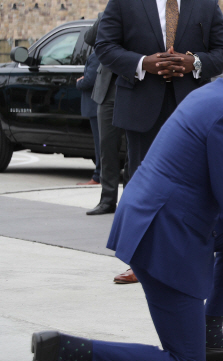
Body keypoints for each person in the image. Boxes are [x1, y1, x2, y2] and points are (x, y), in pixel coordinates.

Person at [28, 27, 223, 361]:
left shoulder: (218, 93)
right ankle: (65, 349)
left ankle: (209, 336)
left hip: (157, 215)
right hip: (163, 235)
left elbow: (222, 183)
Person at [94, 0, 223, 284]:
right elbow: (105, 47)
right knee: (142, 186)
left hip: (192, 107)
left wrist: (194, 63)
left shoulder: (206, 4)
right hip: (141, 106)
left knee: (192, 185)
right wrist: (143, 63)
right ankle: (140, 261)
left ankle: (184, 259)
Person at [85, 13, 129, 217]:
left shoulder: (146, 14)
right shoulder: (109, 13)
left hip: (134, 88)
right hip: (107, 89)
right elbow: (89, 38)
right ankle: (107, 200)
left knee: (133, 150)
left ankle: (130, 200)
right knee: (107, 147)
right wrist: (107, 13)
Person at [75, 49, 101, 187]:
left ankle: (98, 176)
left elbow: (89, 80)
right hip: (98, 107)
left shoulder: (96, 55)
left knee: (100, 145)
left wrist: (79, 81)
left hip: (95, 106)